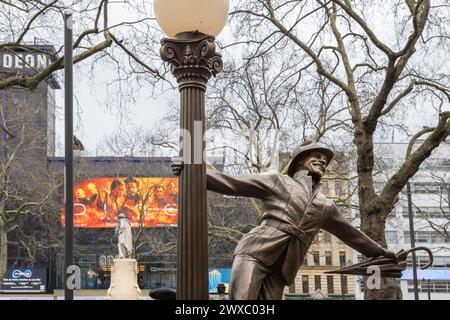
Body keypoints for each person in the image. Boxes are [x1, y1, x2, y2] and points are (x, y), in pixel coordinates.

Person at [172, 140, 397, 300]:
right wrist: (191, 171)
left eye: (325, 160)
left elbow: (353, 235)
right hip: (256, 252)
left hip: (282, 268)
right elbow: (230, 183)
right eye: (316, 157)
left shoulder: (326, 205)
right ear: (299, 160)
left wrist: (382, 252)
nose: (322, 161)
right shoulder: (277, 181)